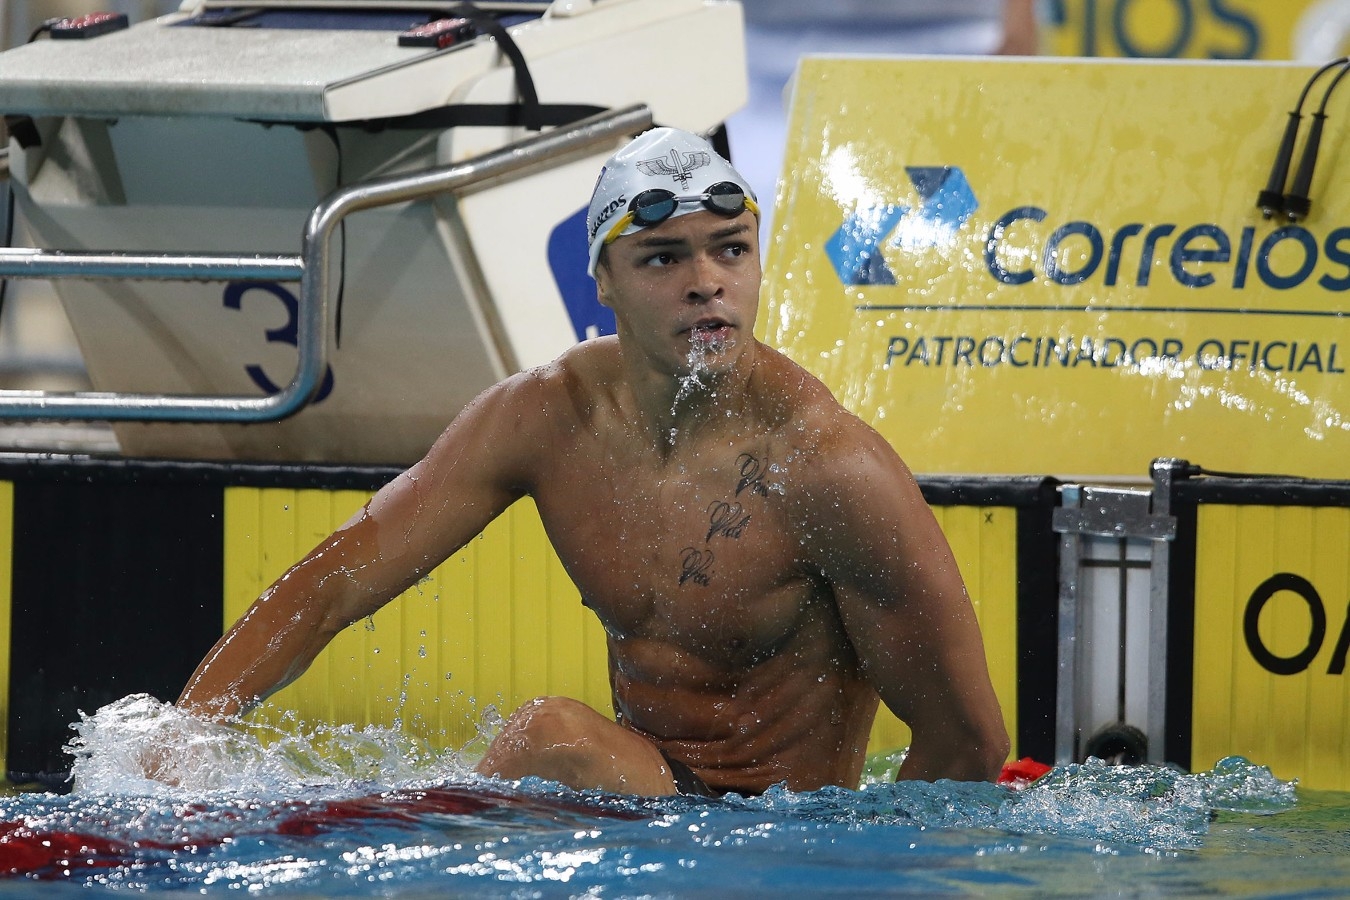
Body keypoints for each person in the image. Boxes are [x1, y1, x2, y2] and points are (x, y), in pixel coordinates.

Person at [176, 127, 1009, 797]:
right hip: (641, 811)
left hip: (774, 840)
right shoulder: (548, 416)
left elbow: (969, 743)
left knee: (554, 738)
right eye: (663, 258)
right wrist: (184, 734)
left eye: (730, 249)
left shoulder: (825, 467)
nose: (706, 282)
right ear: (601, 282)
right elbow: (337, 581)